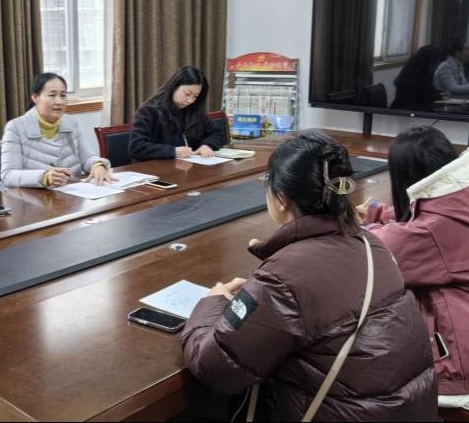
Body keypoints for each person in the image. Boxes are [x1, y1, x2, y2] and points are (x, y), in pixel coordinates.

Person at [182, 131, 436, 421]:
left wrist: (212, 303)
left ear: (280, 199)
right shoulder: (370, 243)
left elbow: (217, 369)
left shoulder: (282, 278)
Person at [361, 126, 469, 411]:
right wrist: (381, 212)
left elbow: (372, 250)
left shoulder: (433, 234)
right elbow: (432, 221)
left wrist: (366, 223)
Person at [0, 72, 113, 189]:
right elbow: (8, 175)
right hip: (29, 195)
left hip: (69, 193)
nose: (59, 101)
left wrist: (97, 165)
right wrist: (43, 177)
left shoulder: (70, 122)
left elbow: (87, 158)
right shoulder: (15, 128)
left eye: (63, 95)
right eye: (52, 95)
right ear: (35, 97)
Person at [129, 66, 224, 161]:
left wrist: (207, 145)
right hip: (155, 166)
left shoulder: (194, 109)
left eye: (195, 96)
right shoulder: (149, 111)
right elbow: (136, 147)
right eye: (187, 94)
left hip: (188, 165)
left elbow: (217, 133)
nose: (190, 100)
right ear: (174, 87)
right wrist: (173, 151)